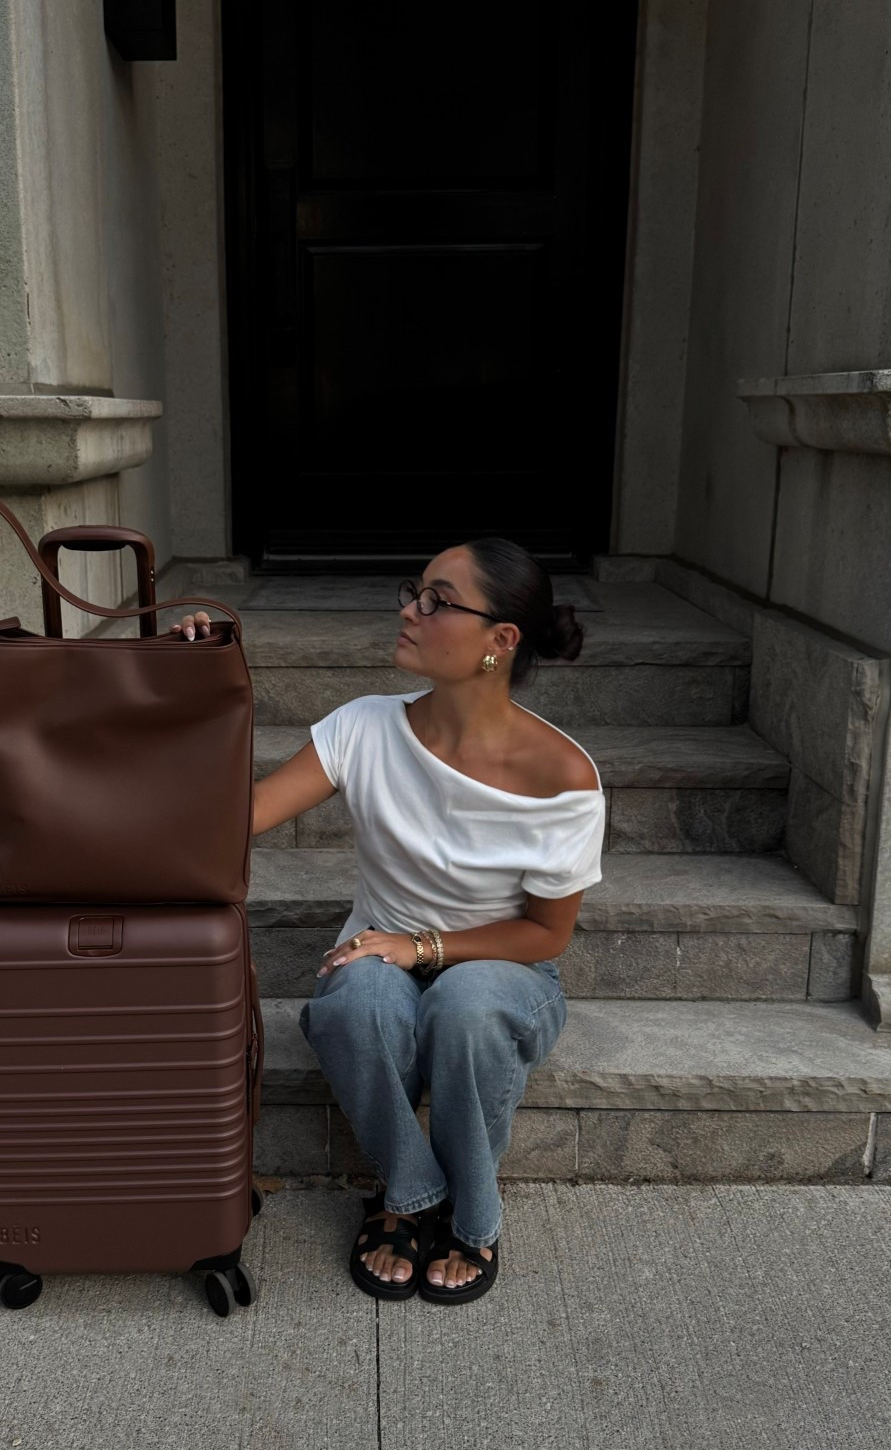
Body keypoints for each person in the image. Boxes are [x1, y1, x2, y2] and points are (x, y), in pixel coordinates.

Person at [171, 538, 602, 1305]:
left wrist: (422, 947)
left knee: (466, 1010)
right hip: (380, 957)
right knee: (358, 999)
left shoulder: (560, 773)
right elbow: (241, 817)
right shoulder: (365, 727)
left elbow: (546, 934)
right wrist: (191, 684)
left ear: (501, 640)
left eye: (437, 600)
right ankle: (412, 1197)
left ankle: (476, 1218)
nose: (409, 610)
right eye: (416, 591)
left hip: (507, 971)